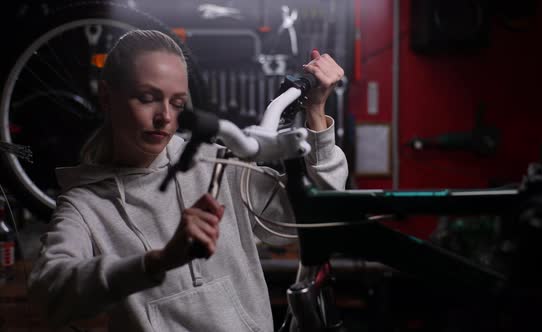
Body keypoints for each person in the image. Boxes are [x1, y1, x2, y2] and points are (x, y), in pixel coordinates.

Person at [28, 29, 348, 331]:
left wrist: (316, 113)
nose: (165, 117)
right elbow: (49, 294)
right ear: (107, 98)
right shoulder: (85, 205)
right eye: (147, 97)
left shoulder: (217, 164)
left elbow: (309, 218)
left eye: (177, 103)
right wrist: (158, 262)